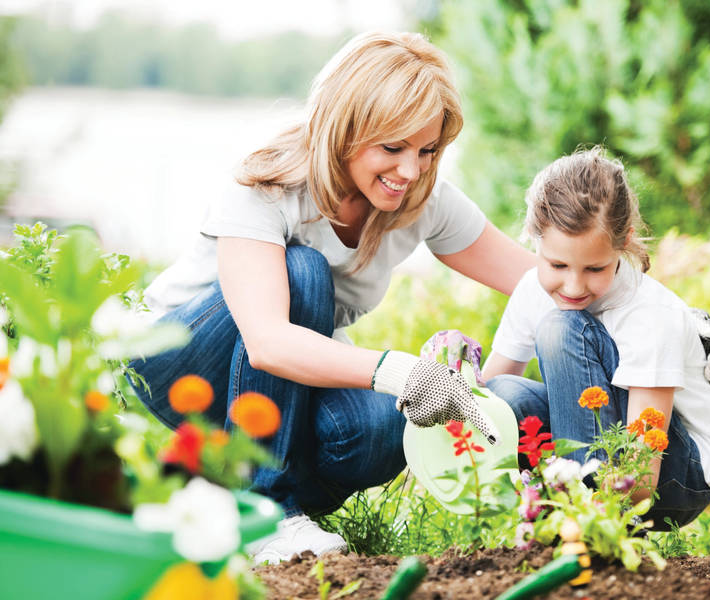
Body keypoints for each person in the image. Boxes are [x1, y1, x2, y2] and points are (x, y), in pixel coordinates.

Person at [129, 31, 535, 564]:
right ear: (346, 129)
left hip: (275, 390)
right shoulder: (267, 183)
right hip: (177, 363)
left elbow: (539, 281)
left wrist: (651, 308)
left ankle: (238, 500)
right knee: (303, 272)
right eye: (392, 148)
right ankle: (260, 511)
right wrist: (407, 372)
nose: (410, 171)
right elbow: (269, 343)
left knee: (391, 423)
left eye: (427, 149)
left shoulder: (419, 195)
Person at [482, 147, 710, 529]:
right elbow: (486, 397)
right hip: (604, 448)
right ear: (533, 240)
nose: (573, 285)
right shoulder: (532, 289)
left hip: (677, 474)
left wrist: (596, 507)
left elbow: (643, 478)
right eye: (557, 264)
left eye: (594, 268)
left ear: (624, 243)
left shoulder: (651, 316)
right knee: (504, 396)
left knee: (560, 327)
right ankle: (563, 510)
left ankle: (587, 522)